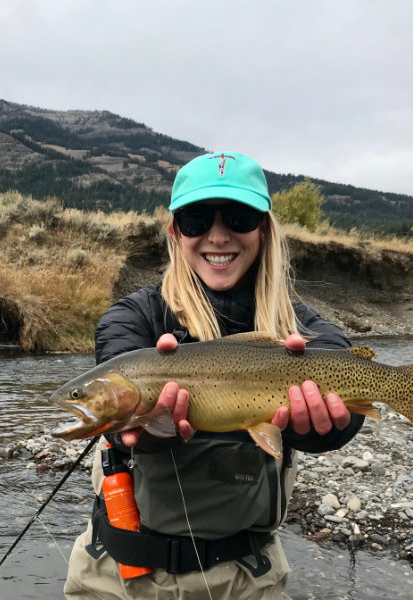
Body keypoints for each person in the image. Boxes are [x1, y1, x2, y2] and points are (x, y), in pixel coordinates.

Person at [63, 151, 364, 599]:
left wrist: (324, 428)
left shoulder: (303, 331)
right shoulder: (132, 319)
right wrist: (151, 429)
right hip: (122, 579)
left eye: (238, 217)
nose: (218, 235)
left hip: (248, 580)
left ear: (263, 229)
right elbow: (128, 421)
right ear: (175, 231)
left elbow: (345, 380)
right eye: (198, 219)